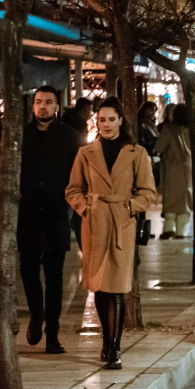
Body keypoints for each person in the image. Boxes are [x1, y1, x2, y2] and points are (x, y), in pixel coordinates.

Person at [65, 97, 156, 370]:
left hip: (121, 225)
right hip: (94, 225)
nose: (106, 124)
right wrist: (85, 207)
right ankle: (106, 340)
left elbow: (148, 191)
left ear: (121, 121)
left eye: (111, 119)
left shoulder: (136, 153)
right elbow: (73, 189)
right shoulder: (86, 153)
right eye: (101, 119)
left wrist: (130, 206)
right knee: (100, 288)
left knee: (116, 288)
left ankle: (115, 347)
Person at [17, 86, 82, 355]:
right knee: (28, 269)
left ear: (57, 106)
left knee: (55, 276)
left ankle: (52, 333)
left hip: (56, 213)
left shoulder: (70, 138)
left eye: (48, 102)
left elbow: (78, 177)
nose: (42, 106)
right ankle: (36, 313)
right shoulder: (20, 136)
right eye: (38, 101)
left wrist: (72, 207)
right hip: (28, 213)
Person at [155, 104, 193, 240]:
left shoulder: (168, 129)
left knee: (170, 196)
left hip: (171, 168)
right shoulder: (192, 129)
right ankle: (181, 231)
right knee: (185, 198)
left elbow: (159, 147)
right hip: (188, 168)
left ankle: (169, 228)